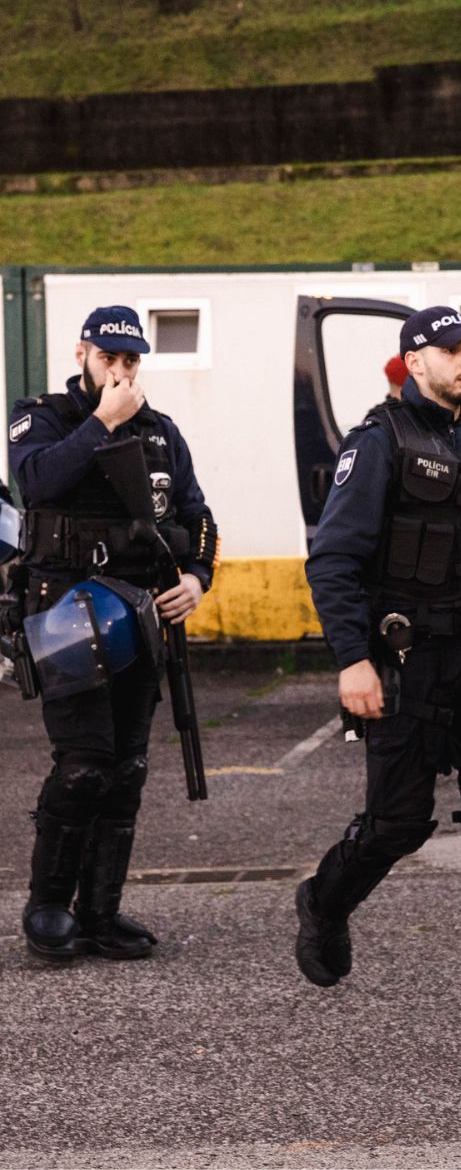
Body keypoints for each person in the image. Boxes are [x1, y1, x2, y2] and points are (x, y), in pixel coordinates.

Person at [294, 306, 461, 1019]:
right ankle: (324, 900)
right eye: (450, 349)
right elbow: (333, 559)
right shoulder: (380, 439)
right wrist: (352, 659)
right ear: (415, 362)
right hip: (406, 658)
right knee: (399, 823)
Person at [10, 305, 217, 963]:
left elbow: (196, 514)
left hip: (140, 612)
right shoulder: (45, 415)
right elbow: (35, 480)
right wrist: (104, 420)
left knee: (126, 766)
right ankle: (48, 906)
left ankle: (99, 912)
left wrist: (198, 576)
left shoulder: (162, 431)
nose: (122, 371)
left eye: (131, 361)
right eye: (110, 358)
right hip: (62, 609)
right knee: (83, 763)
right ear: (83, 354)